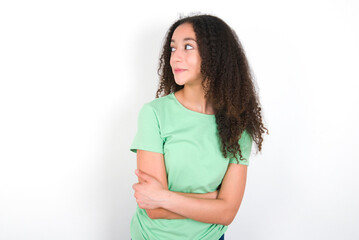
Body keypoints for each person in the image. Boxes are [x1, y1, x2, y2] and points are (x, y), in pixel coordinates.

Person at [129, 13, 269, 240]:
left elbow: (227, 214)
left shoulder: (237, 124)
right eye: (173, 48)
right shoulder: (154, 114)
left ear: (216, 55)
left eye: (188, 47)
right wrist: (215, 200)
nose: (175, 57)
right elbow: (153, 208)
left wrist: (165, 197)